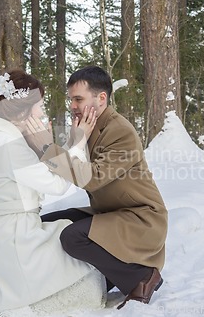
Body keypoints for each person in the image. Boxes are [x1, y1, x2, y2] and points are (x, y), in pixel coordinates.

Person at [0, 69, 105, 312]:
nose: (43, 111)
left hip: (4, 234)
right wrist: (78, 141)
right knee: (78, 248)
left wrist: (47, 143)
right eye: (40, 105)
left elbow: (45, 169)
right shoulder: (8, 144)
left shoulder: (1, 134)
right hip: (15, 239)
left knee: (68, 230)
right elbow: (57, 184)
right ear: (23, 108)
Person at [39, 66, 168, 309]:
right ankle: (96, 276)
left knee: (72, 237)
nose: (73, 106)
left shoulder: (120, 131)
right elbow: (67, 168)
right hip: (110, 213)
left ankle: (140, 277)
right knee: (49, 223)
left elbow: (93, 178)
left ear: (101, 98)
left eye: (78, 99)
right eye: (71, 100)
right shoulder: (85, 127)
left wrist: (49, 149)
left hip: (141, 218)